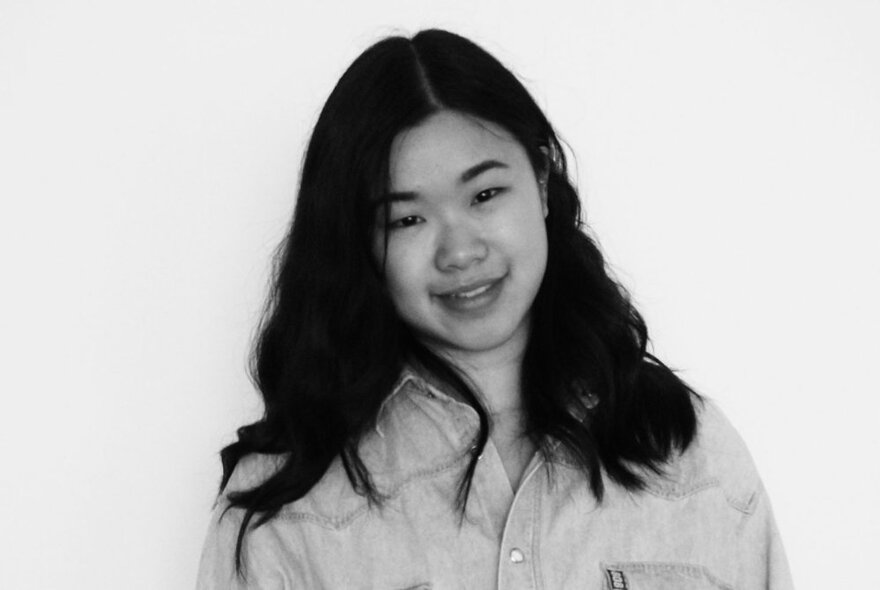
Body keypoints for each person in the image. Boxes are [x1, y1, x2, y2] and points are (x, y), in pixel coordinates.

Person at [197, 29, 793, 589]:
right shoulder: (283, 511)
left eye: (484, 194)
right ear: (360, 244)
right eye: (407, 219)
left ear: (540, 180)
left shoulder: (691, 453)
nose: (459, 250)